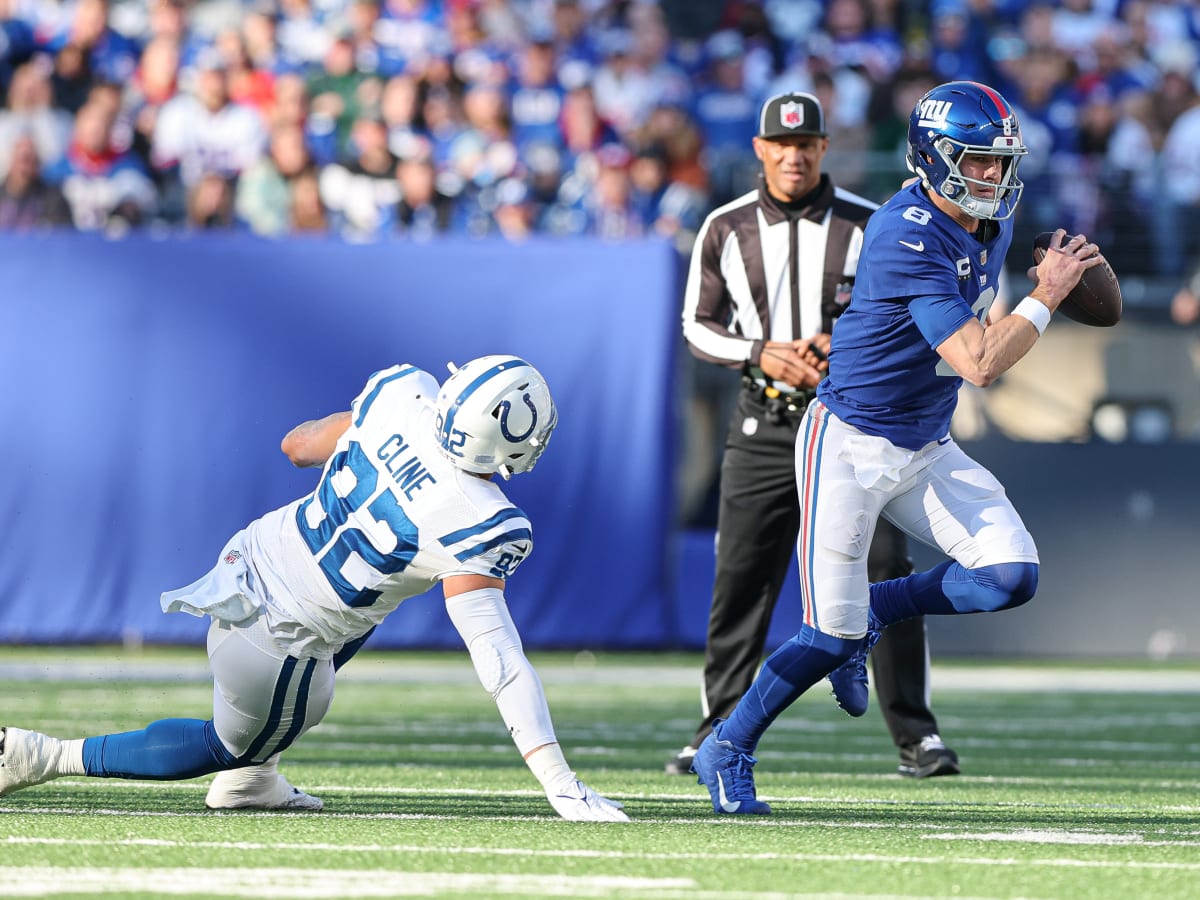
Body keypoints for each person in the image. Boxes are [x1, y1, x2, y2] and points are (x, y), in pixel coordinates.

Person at [689, 80, 1105, 815]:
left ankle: (878, 608)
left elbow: (984, 332)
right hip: (848, 443)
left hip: (922, 439)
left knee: (1011, 576)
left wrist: (1044, 290)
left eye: (1000, 162)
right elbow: (978, 360)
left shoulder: (989, 224)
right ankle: (729, 744)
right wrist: (1049, 295)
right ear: (936, 159)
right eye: (978, 163)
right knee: (825, 637)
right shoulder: (904, 229)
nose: (994, 177)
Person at [0, 356, 629, 823]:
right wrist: (559, 782)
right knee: (226, 742)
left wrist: (370, 443)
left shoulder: (404, 394)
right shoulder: (482, 521)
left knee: (364, 604)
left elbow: (297, 447)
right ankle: (46, 755)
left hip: (243, 559)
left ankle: (256, 777)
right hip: (276, 645)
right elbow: (498, 659)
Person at [672, 90, 959, 782]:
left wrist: (845, 344)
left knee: (885, 567)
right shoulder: (725, 225)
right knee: (743, 575)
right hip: (765, 419)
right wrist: (760, 350)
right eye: (782, 145)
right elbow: (695, 324)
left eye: (806, 145)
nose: (794, 157)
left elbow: (904, 308)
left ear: (823, 148)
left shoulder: (874, 223)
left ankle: (916, 735)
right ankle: (717, 729)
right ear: (761, 151)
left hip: (857, 422)